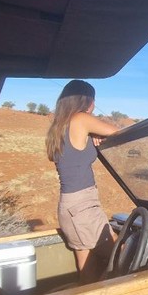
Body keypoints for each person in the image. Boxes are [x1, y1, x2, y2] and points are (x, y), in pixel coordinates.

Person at [45, 80, 119, 284]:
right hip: (82, 207)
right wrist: (95, 129)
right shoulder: (81, 119)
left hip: (69, 206)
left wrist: (93, 132)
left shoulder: (59, 126)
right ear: (89, 101)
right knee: (121, 255)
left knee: (86, 267)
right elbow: (118, 132)